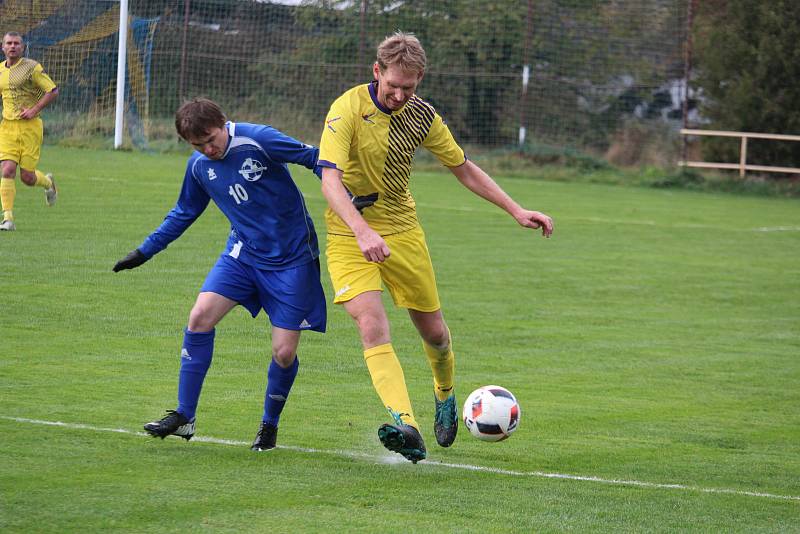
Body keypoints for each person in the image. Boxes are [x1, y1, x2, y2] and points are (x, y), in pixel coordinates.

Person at [318, 32, 553, 463]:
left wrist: (515, 210)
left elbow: (462, 167)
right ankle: (405, 424)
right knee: (371, 324)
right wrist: (362, 231)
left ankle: (444, 393)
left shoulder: (422, 116)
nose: (400, 94)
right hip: (349, 236)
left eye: (409, 87)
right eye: (393, 85)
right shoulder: (347, 108)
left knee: (435, 334)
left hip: (403, 232)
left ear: (419, 79)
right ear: (377, 71)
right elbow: (329, 178)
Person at [113, 98, 326, 451]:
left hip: (292, 259)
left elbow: (316, 158)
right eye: (198, 145)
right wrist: (144, 251)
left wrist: (346, 196)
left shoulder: (259, 140)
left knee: (283, 353)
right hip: (241, 254)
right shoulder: (198, 166)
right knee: (199, 317)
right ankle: (184, 416)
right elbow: (183, 212)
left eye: (211, 140)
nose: (209, 150)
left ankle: (269, 426)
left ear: (224, 124)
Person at [0, 31, 59, 232]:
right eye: (9, 43)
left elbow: (53, 90)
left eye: (16, 43)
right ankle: (8, 218)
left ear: (23, 47)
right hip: (7, 127)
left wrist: (34, 110)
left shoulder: (32, 67)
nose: (12, 46)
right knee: (7, 169)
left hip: (30, 128)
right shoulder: (0, 70)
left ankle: (48, 183)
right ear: (3, 47)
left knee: (27, 177)